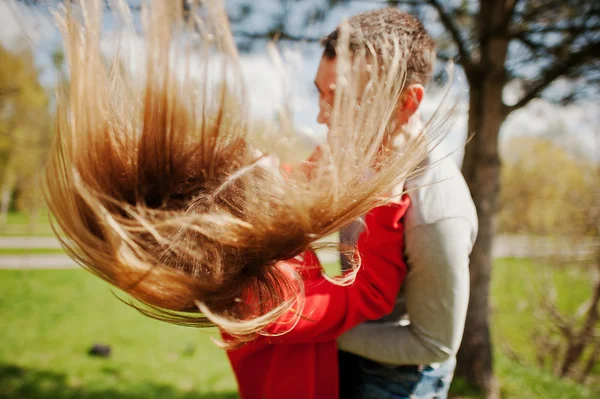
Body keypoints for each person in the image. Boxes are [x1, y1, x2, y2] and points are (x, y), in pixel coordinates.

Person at [44, 1, 450, 398]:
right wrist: (385, 196)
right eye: (253, 166)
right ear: (225, 208)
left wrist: (324, 164)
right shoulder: (269, 303)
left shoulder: (241, 253)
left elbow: (297, 183)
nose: (321, 116)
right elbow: (369, 294)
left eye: (336, 97)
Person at [312, 8, 478, 399]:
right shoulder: (355, 161)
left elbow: (434, 344)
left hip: (400, 382)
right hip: (346, 356)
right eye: (319, 92)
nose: (321, 117)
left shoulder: (437, 211)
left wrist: (312, 325)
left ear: (407, 102)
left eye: (340, 100)